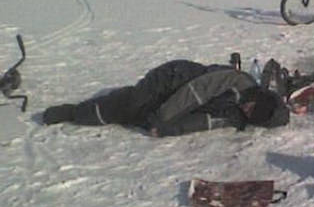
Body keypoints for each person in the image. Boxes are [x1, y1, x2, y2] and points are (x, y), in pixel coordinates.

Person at [42, 59, 289, 136]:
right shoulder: (238, 81)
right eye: (253, 106)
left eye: (251, 114)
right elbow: (195, 92)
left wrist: (166, 129)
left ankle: (124, 103)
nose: (247, 109)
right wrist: (162, 118)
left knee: (141, 120)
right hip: (174, 78)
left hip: (179, 98)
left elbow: (203, 122)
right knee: (131, 106)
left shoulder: (237, 116)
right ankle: (73, 112)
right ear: (259, 96)